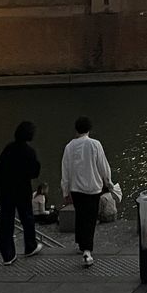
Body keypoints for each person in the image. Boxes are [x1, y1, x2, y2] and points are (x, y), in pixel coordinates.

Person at [62, 115, 113, 268]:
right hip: (93, 188)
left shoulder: (69, 147)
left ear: (76, 129)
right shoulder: (95, 144)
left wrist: (65, 191)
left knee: (81, 215)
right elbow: (103, 166)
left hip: (76, 188)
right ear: (89, 129)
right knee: (90, 219)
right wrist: (108, 182)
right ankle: (87, 250)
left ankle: (81, 243)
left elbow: (65, 171)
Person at [0, 119, 42, 266]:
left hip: (5, 190)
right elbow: (34, 172)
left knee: (6, 220)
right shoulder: (29, 152)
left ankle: (7, 254)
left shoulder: (8, 149)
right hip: (22, 189)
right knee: (27, 217)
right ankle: (30, 246)